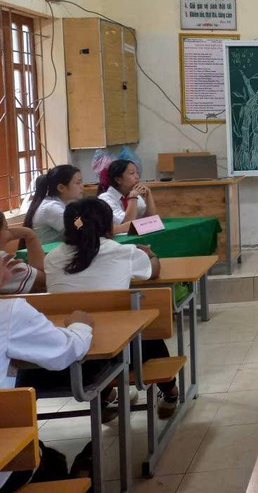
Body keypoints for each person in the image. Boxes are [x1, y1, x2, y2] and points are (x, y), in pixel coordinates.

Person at [42, 199, 179, 419]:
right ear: (108, 226)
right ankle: (170, 392)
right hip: (118, 353)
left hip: (64, 353)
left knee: (107, 338)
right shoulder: (123, 252)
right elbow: (153, 271)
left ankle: (105, 396)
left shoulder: (52, 258)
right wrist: (151, 254)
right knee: (147, 335)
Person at [0, 254, 93, 491]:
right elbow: (65, 351)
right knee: (43, 459)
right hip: (4, 464)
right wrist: (81, 324)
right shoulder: (9, 311)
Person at [23, 165, 84, 244]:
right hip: (48, 251)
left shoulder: (61, 203)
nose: (82, 186)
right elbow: (80, 230)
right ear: (61, 188)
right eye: (78, 183)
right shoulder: (51, 207)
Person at [97, 159, 157, 234]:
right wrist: (133, 197)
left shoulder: (134, 194)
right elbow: (128, 225)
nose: (137, 177)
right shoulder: (105, 199)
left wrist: (148, 195)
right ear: (118, 179)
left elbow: (152, 220)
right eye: (132, 173)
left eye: (137, 172)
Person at [0, 212, 46, 294]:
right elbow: (44, 282)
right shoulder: (5, 264)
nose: (10, 231)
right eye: (6, 228)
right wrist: (30, 235)